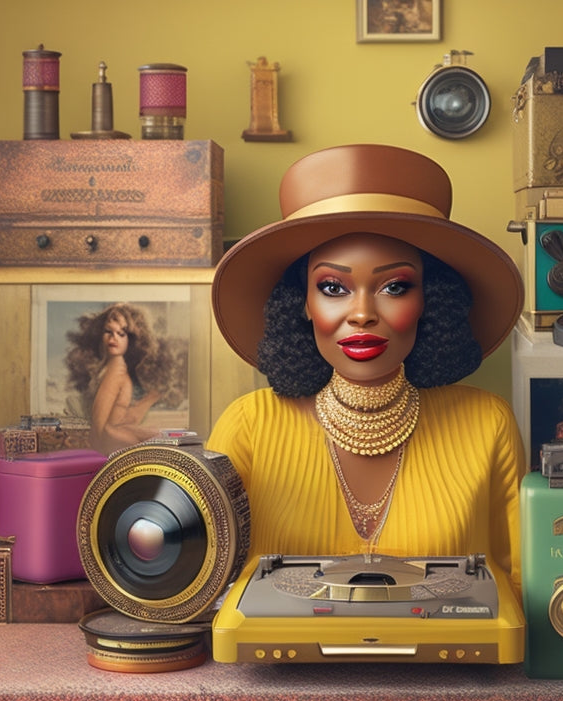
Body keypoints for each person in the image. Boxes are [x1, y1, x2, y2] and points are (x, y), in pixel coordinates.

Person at [206, 144, 526, 597]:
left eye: (394, 286)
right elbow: (208, 586)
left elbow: (519, 586)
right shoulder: (249, 427)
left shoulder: (487, 424)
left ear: (429, 300)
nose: (361, 314)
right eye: (333, 287)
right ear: (303, 303)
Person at [64, 302, 178, 455]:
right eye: (108, 331)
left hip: (111, 444)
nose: (113, 338)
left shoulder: (116, 370)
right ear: (100, 334)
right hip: (109, 444)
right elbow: (101, 427)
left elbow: (102, 427)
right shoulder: (113, 368)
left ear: (130, 340)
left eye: (121, 333)